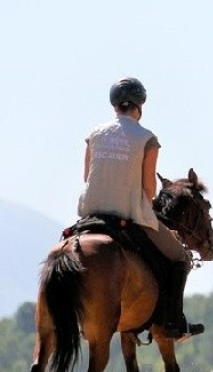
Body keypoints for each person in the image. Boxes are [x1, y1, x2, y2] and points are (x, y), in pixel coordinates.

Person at [78, 77, 205, 338]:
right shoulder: (147, 138)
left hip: (91, 211)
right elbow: (149, 189)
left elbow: (86, 177)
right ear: (141, 105)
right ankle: (173, 323)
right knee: (180, 258)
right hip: (128, 213)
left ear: (114, 105)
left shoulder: (94, 134)